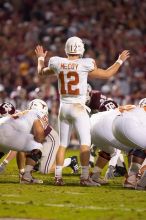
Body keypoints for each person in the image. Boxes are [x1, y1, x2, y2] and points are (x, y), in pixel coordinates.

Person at [35, 36, 130, 186]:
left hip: (63, 108)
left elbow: (41, 72)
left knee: (63, 144)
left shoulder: (57, 62)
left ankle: (58, 177)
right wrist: (119, 60)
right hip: (78, 108)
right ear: (81, 49)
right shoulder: (86, 63)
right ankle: (85, 178)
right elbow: (107, 74)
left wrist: (40, 58)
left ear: (67, 48)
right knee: (85, 143)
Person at [0, 99, 50, 184]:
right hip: (8, 134)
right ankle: (26, 176)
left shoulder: (25, 113)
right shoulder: (38, 115)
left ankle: (23, 174)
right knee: (38, 146)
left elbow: (19, 148)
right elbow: (39, 136)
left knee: (6, 148)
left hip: (3, 129)